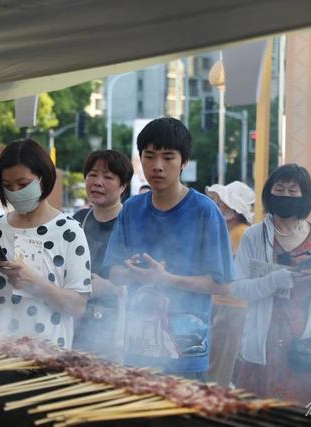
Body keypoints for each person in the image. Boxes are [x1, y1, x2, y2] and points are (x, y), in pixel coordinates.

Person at [104, 117, 233, 380]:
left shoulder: (204, 211)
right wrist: (132, 274)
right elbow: (114, 272)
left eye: (168, 157)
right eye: (149, 156)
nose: (157, 166)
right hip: (136, 353)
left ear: (183, 162)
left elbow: (222, 285)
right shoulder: (131, 208)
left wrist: (166, 280)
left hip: (185, 358)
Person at [0, 139, 91, 349]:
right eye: (7, 186)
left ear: (43, 178)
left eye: (23, 184)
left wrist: (37, 284)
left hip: (47, 358)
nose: (15, 192)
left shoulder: (69, 231)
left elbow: (77, 307)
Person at [232, 164, 311, 406]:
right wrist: (275, 280)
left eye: (294, 190)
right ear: (269, 193)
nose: (285, 195)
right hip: (264, 345)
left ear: (305, 196)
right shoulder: (253, 235)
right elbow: (237, 288)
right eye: (279, 189)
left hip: (306, 341)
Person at [72, 150, 133, 359]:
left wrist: (109, 287)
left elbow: (150, 285)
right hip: (76, 327)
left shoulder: (133, 224)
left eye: (108, 177)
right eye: (92, 174)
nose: (97, 182)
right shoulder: (77, 220)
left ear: (123, 186)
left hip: (116, 332)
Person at [205, 181, 254, 387]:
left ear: (233, 211)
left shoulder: (239, 232)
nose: (217, 206)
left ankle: (216, 403)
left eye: (221, 203)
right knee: (217, 361)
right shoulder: (234, 231)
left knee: (219, 366)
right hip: (225, 302)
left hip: (231, 304)